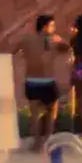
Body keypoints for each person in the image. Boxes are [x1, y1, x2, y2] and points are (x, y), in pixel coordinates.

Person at [20, 15, 61, 144]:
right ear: (45, 27)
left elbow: (14, 52)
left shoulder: (26, 39)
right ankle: (48, 141)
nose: (54, 28)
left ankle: (37, 143)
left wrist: (26, 56)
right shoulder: (55, 40)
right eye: (52, 26)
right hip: (48, 81)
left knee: (35, 114)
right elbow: (69, 55)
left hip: (32, 81)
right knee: (51, 112)